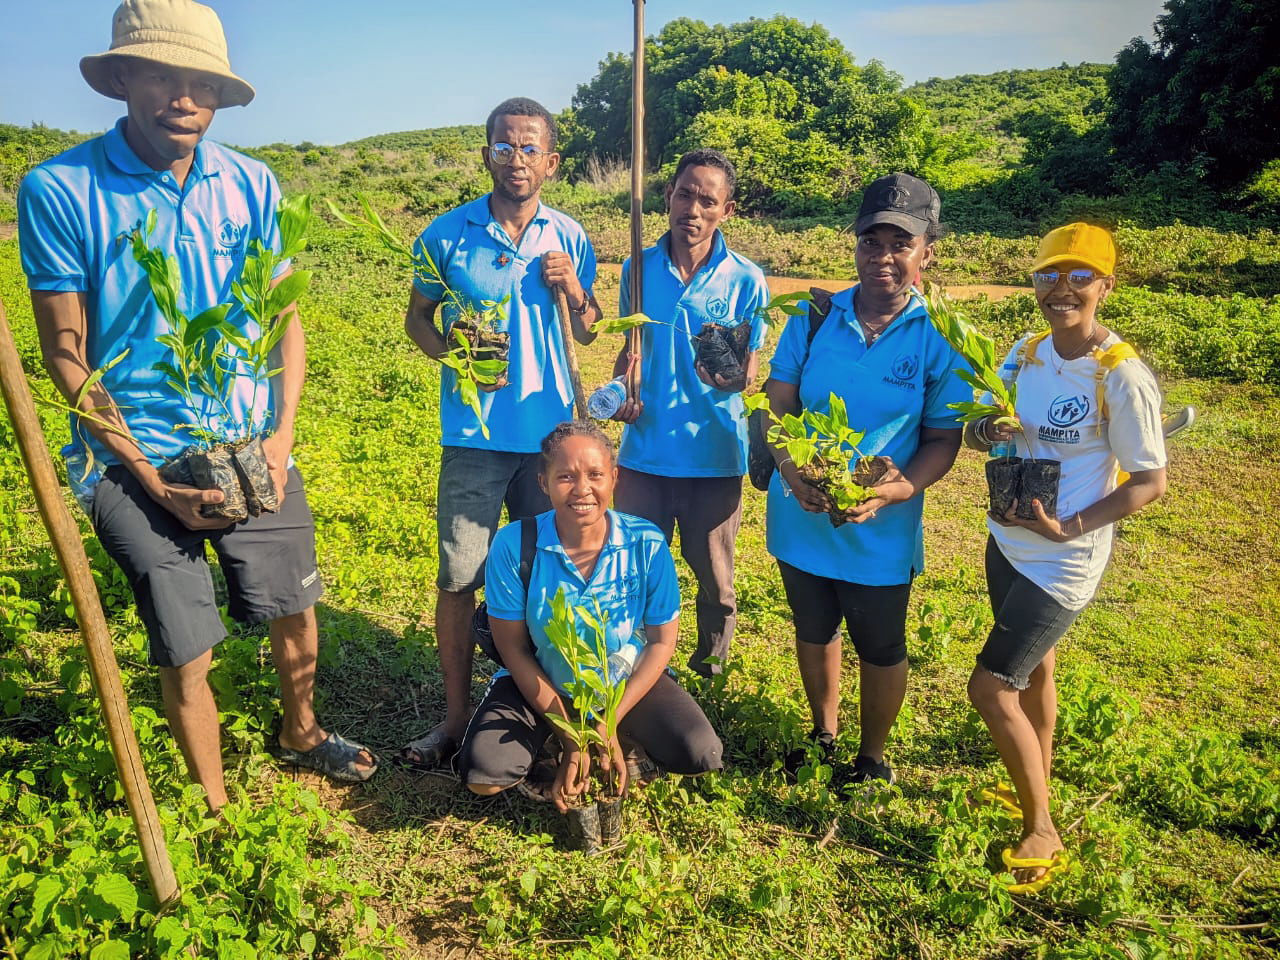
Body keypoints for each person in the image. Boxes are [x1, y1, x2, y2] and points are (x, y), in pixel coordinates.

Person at [17, 0, 376, 811]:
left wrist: (280, 438)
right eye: (161, 77)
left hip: (247, 438)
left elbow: (285, 322)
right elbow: (67, 354)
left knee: (294, 603)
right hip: (134, 453)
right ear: (122, 80)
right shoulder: (61, 189)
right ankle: (214, 808)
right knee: (187, 646)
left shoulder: (252, 184)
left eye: (202, 83)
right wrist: (149, 477)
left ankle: (302, 732)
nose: (184, 99)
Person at [964, 223, 1167, 891]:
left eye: (1080, 276)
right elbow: (974, 428)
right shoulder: (1024, 353)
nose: (1062, 289)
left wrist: (1070, 527)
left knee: (991, 687)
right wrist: (987, 427)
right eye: (1049, 274)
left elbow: (1149, 482)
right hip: (1007, 541)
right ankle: (1035, 783)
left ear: (1106, 285)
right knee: (1036, 672)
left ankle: (1042, 829)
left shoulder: (1120, 375)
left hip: (1061, 563)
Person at [401, 98, 602, 768]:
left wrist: (575, 289)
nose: (517, 159)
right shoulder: (446, 236)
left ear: (552, 162)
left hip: (551, 444)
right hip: (475, 438)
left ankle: (554, 713)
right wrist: (452, 353)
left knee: (554, 575)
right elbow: (417, 320)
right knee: (460, 580)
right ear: (486, 154)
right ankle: (456, 719)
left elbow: (590, 329)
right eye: (504, 146)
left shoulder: (568, 236)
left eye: (529, 148)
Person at [760, 173, 968, 786]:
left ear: (928, 252)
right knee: (813, 626)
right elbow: (778, 405)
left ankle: (872, 758)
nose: (883, 256)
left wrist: (901, 488)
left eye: (901, 244)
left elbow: (942, 440)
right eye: (870, 242)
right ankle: (823, 735)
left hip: (883, 525)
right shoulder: (814, 315)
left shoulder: (938, 336)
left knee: (880, 643)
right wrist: (792, 471)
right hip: (803, 510)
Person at [457, 421, 723, 809]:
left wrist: (608, 720)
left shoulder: (646, 543)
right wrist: (570, 735)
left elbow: (661, 642)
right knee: (484, 776)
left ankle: (619, 740)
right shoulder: (515, 544)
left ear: (614, 478)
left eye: (595, 475)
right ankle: (551, 746)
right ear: (543, 482)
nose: (582, 489)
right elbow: (514, 649)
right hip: (541, 679)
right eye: (565, 476)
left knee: (700, 753)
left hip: (620, 681)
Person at [609, 148, 769, 677]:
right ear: (668, 195)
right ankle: (633, 666)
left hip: (714, 454)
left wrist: (732, 378)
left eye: (707, 200)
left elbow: (749, 372)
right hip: (644, 452)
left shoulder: (746, 279)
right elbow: (630, 351)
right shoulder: (637, 267)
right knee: (634, 570)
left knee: (714, 577)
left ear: (727, 210)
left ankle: (710, 669)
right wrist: (624, 389)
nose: (693, 209)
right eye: (684, 194)